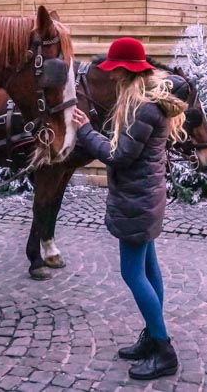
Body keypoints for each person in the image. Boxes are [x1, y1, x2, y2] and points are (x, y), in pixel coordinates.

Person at [71, 37, 187, 380]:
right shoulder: (147, 103)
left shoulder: (142, 108)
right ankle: (153, 336)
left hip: (136, 201)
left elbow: (117, 155)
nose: (112, 77)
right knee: (149, 269)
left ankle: (164, 350)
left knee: (132, 273)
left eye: (115, 72)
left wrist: (85, 131)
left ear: (126, 71)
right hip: (145, 198)